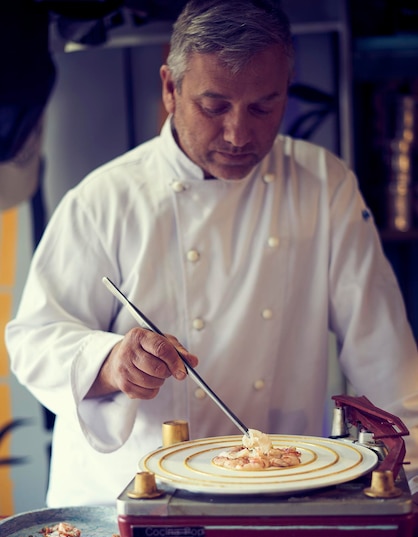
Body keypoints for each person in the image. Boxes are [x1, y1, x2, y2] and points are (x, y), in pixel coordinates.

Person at [5, 0, 418, 508]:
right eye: (214, 106)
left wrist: (408, 479)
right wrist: (112, 362)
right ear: (170, 89)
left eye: (264, 107)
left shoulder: (321, 186)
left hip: (281, 494)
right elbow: (34, 341)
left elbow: (384, 357)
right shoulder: (104, 199)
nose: (238, 134)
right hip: (124, 504)